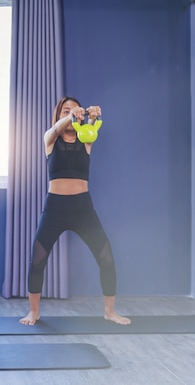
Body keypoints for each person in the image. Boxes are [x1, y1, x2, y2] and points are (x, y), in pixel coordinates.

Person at [19, 96, 130, 326]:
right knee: (37, 259)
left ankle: (110, 311)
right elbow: (56, 129)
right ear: (58, 115)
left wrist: (93, 114)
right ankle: (34, 312)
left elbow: (93, 124)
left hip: (82, 208)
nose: (69, 114)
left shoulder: (85, 139)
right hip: (55, 208)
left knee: (106, 257)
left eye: (73, 110)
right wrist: (73, 115)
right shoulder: (50, 138)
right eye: (65, 111)